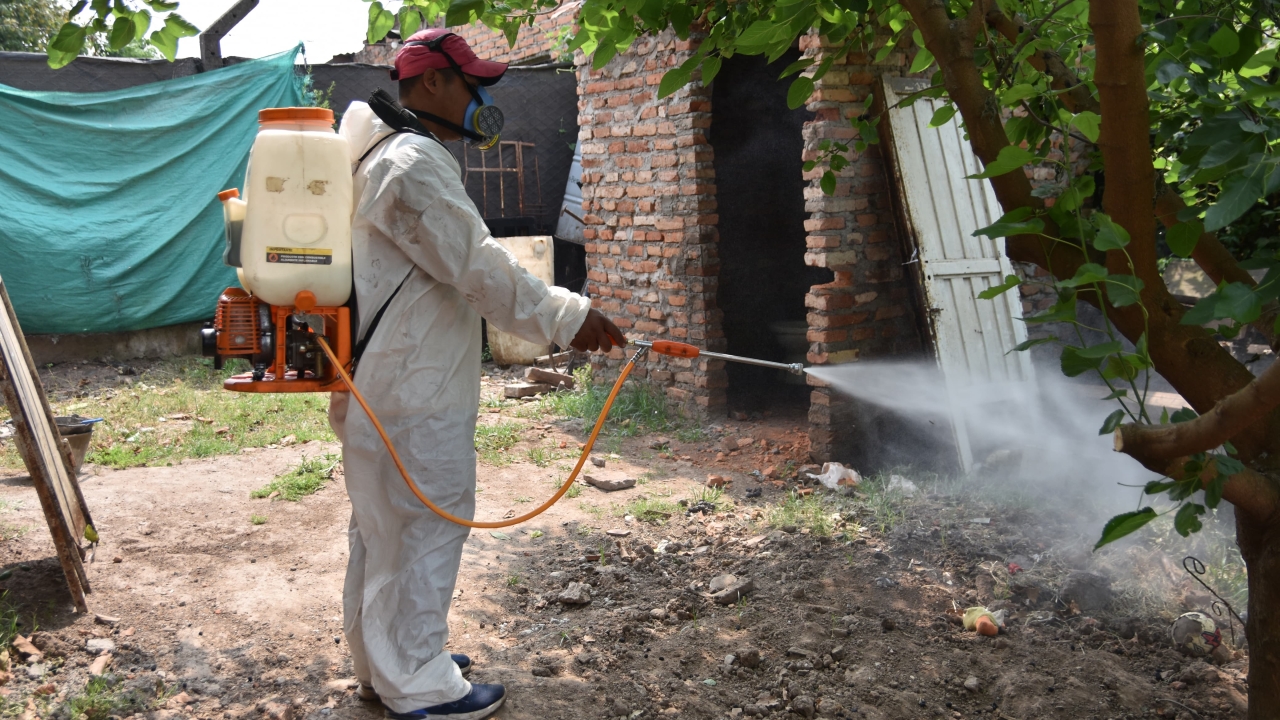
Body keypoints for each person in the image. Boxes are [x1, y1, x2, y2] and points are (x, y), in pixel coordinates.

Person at [328, 28, 623, 720]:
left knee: (382, 532)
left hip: (383, 383)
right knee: (423, 527)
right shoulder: (413, 164)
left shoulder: (376, 156)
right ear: (432, 83)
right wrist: (568, 315)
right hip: (412, 389)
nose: (484, 100)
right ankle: (420, 685)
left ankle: (388, 664)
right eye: (474, 85)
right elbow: (480, 270)